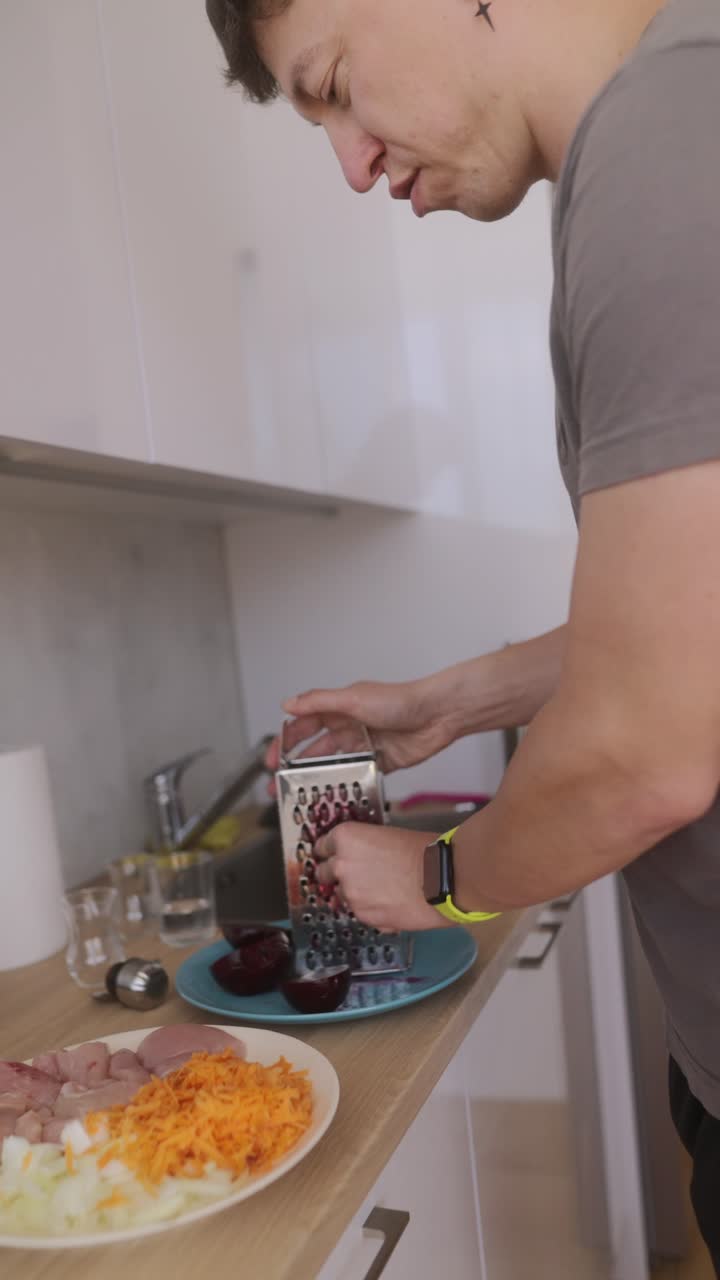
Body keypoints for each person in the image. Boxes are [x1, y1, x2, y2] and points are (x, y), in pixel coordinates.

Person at [205, 0, 720, 1269]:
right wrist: (460, 697)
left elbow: (649, 751)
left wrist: (434, 875)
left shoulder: (661, 146)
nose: (352, 163)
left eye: (333, 84)